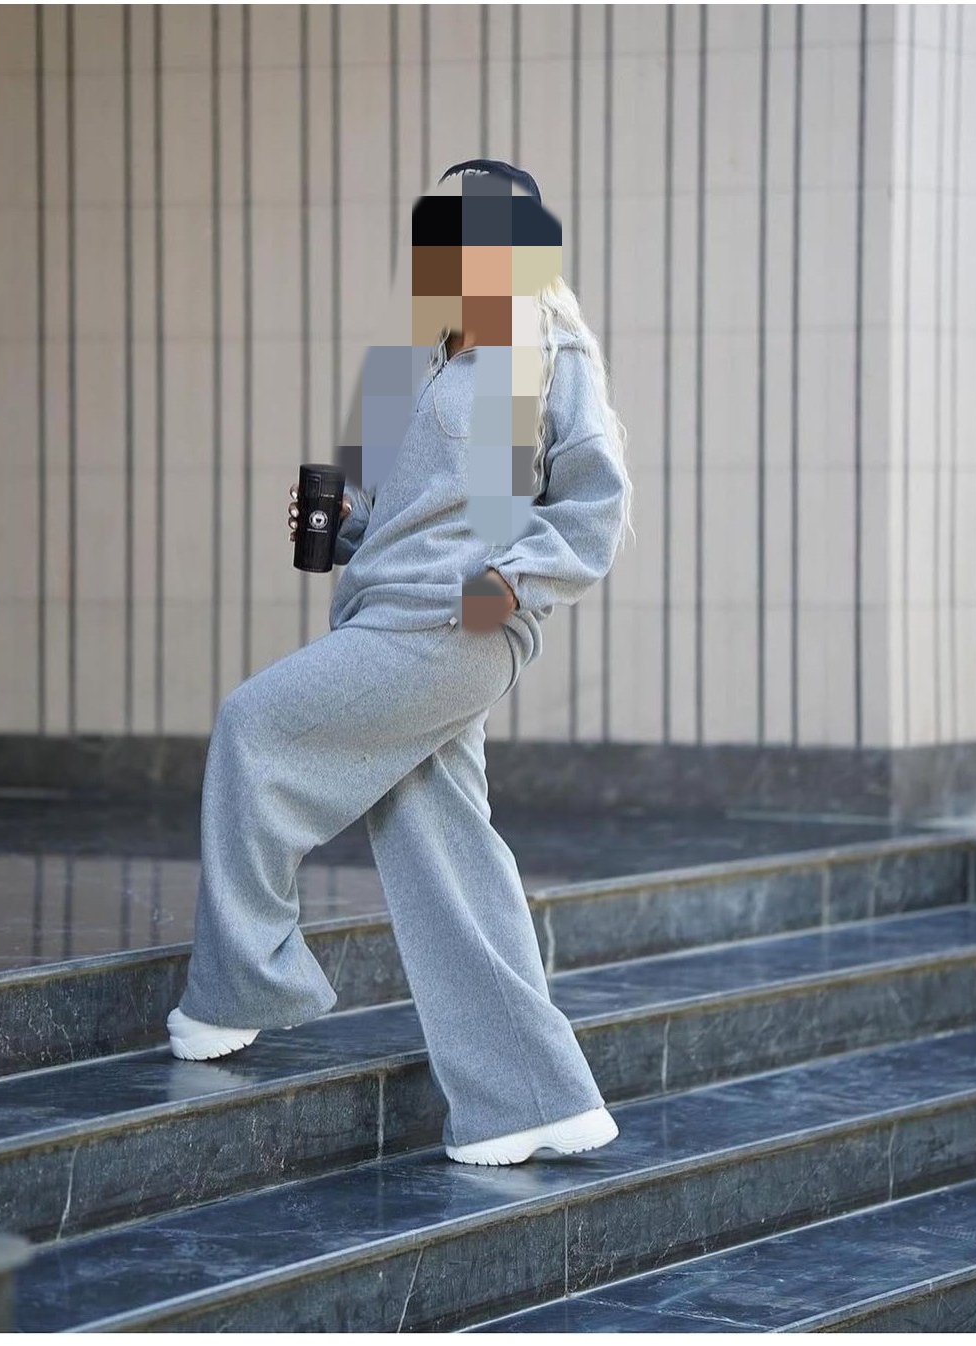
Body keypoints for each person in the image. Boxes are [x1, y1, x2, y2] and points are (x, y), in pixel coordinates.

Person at [167, 159, 635, 1166]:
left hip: (449, 627)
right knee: (444, 855)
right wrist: (336, 523)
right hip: (387, 614)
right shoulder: (417, 366)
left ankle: (243, 985)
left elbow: (594, 501)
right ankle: (533, 1098)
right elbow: (390, 525)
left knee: (253, 723)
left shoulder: (544, 352)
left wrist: (512, 581)